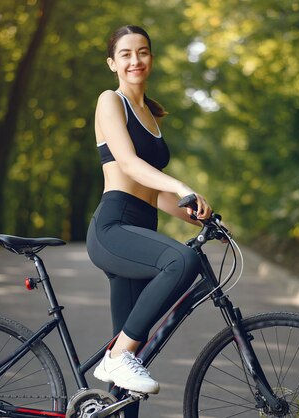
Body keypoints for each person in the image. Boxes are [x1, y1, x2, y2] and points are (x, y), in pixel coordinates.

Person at [86, 24, 213, 402]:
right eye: (125, 54)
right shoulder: (110, 101)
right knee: (182, 261)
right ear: (113, 63)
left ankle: (121, 359)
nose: (135, 60)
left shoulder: (151, 115)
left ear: (151, 59)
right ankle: (117, 354)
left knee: (131, 374)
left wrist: (199, 215)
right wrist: (181, 185)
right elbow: (126, 163)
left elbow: (153, 195)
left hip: (140, 226)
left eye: (142, 52)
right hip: (114, 228)